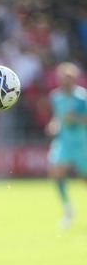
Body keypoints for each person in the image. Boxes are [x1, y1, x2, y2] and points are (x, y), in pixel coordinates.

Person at [45, 62, 87, 229]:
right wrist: (53, 124)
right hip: (63, 141)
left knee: (84, 177)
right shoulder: (56, 96)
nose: (65, 81)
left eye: (68, 78)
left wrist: (75, 118)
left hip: (81, 142)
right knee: (56, 170)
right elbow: (57, 116)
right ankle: (68, 209)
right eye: (62, 78)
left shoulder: (82, 97)